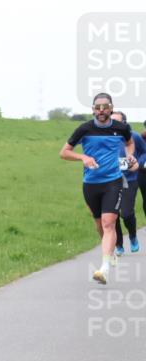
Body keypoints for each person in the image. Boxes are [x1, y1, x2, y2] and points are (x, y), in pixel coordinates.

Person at [59, 93, 136, 284]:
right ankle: (110, 253)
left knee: (109, 223)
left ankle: (104, 268)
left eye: (105, 107)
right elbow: (64, 152)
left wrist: (130, 155)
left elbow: (130, 142)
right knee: (100, 225)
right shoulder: (84, 129)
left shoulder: (121, 128)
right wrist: (82, 157)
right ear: (92, 109)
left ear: (111, 108)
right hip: (91, 183)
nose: (101, 111)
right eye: (97, 107)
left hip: (113, 181)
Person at [110, 110, 146, 255]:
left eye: (117, 122)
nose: (114, 125)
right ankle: (118, 244)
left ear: (124, 123)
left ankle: (133, 237)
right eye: (111, 122)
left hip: (129, 179)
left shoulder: (134, 137)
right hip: (109, 180)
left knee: (126, 213)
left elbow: (144, 152)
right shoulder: (105, 138)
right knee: (112, 215)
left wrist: (139, 163)